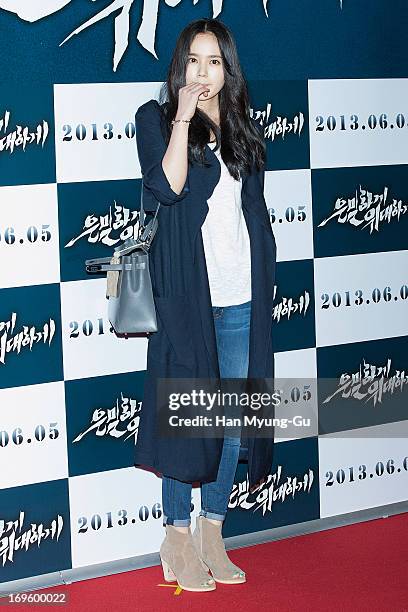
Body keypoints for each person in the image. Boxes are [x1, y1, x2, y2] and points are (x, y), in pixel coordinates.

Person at [134, 18, 276, 593]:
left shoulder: (242, 125)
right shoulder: (155, 118)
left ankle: (212, 531)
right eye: (193, 60)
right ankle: (176, 539)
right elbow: (167, 188)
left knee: (233, 425)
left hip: (242, 294)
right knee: (188, 422)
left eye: (214, 61)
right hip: (190, 299)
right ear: (179, 67)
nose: (203, 73)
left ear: (228, 68)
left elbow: (252, 210)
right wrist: (184, 119)